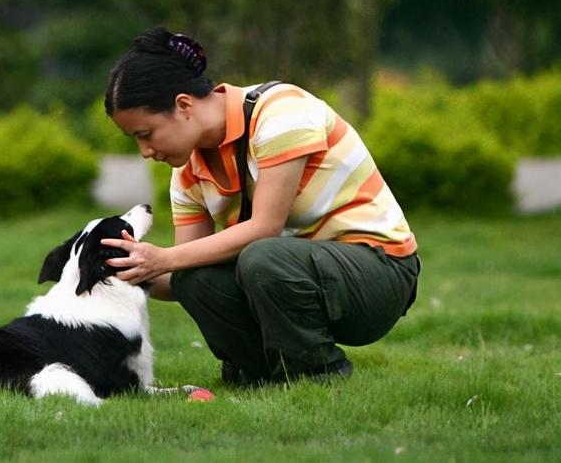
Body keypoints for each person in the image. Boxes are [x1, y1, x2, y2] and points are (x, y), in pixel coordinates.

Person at [101, 26, 420, 385]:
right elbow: (181, 276)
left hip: (379, 274)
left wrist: (162, 258)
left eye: (146, 134)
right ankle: (263, 377)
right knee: (196, 276)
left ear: (183, 105)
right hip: (295, 278)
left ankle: (318, 374)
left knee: (261, 256)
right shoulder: (188, 174)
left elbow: (265, 227)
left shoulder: (281, 112)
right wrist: (115, 271)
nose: (145, 152)